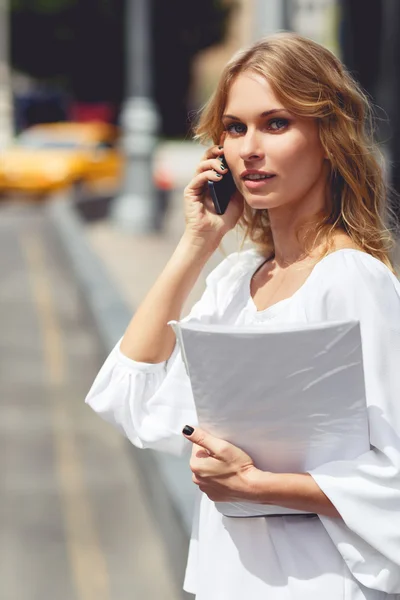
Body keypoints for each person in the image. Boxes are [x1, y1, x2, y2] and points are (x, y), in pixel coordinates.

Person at [85, 32, 400, 599]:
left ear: (328, 136)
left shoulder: (353, 280)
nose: (249, 148)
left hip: (318, 583)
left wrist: (262, 486)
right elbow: (133, 406)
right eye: (235, 128)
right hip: (228, 579)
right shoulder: (234, 282)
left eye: (276, 123)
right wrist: (196, 245)